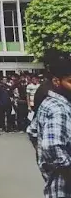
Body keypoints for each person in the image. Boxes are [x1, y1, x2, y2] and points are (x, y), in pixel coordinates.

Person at [27, 50, 71, 198]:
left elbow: (32, 131)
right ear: (56, 81)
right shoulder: (59, 109)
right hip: (64, 188)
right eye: (70, 82)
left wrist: (44, 164)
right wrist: (66, 170)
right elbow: (51, 146)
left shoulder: (49, 103)